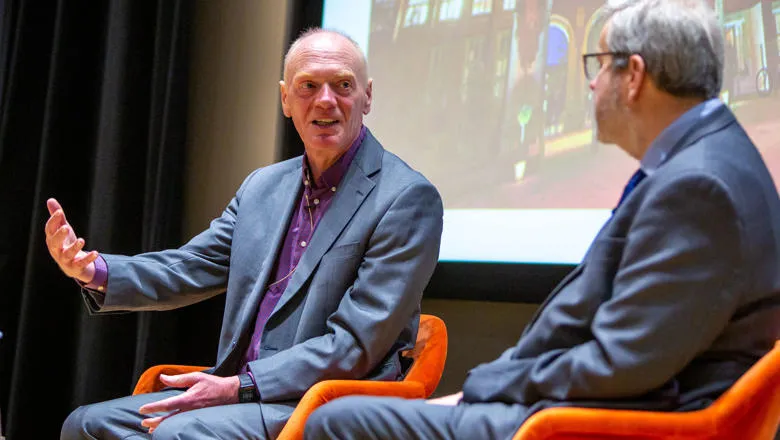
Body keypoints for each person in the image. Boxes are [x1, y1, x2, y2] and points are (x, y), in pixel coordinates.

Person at [304, 1, 780, 438]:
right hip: (600, 407)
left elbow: (619, 362)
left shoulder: (698, 186)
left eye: (597, 64)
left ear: (633, 75)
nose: (592, 83)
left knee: (336, 422)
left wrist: (486, 386)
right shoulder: (708, 159)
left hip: (608, 423)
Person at [53, 28, 443, 440]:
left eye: (343, 85)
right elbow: (189, 266)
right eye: (308, 86)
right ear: (286, 100)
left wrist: (239, 387)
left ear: (367, 96)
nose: (325, 99)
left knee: (176, 436)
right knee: (85, 426)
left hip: (323, 403)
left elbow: (353, 345)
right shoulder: (263, 187)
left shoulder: (406, 199)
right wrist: (93, 270)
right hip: (239, 396)